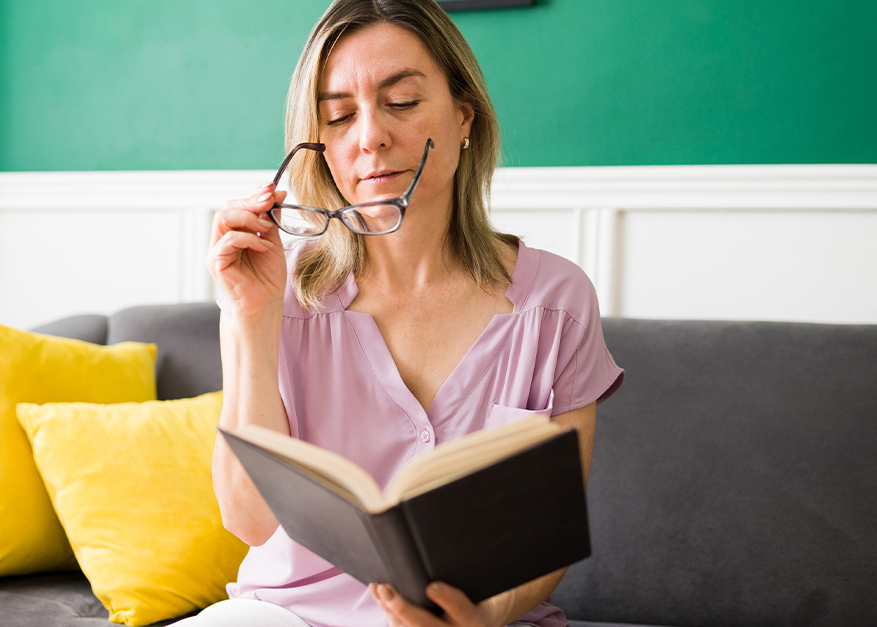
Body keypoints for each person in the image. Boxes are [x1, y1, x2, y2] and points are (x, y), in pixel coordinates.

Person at [190, 1, 624, 625]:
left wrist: (477, 617)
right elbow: (250, 521)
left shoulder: (556, 302)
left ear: (463, 116)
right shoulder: (276, 290)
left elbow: (540, 549)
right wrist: (250, 320)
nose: (370, 136)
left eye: (402, 102)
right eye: (338, 116)